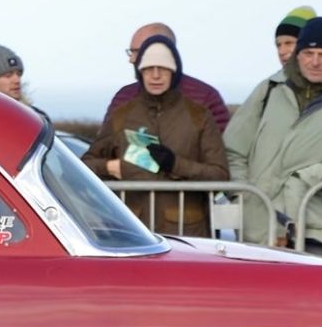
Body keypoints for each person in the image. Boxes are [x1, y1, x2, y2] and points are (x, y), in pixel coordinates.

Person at [224, 16, 322, 252]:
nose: (315, 62)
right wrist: (243, 196)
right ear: (298, 55)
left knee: (314, 290)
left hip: (314, 228)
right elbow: (233, 148)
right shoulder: (269, 88)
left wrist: (305, 179)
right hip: (257, 228)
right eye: (308, 54)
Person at [82, 35, 228, 235]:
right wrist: (110, 167)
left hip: (187, 233)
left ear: (174, 72)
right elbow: (84, 166)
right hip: (136, 231)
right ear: (139, 72)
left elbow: (220, 175)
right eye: (148, 68)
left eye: (163, 68)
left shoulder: (199, 116)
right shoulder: (122, 115)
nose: (156, 75)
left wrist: (175, 165)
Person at [106, 23, 228, 131]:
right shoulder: (124, 96)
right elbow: (102, 147)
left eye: (138, 51)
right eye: (131, 52)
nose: (131, 59)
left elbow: (219, 152)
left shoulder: (205, 98)